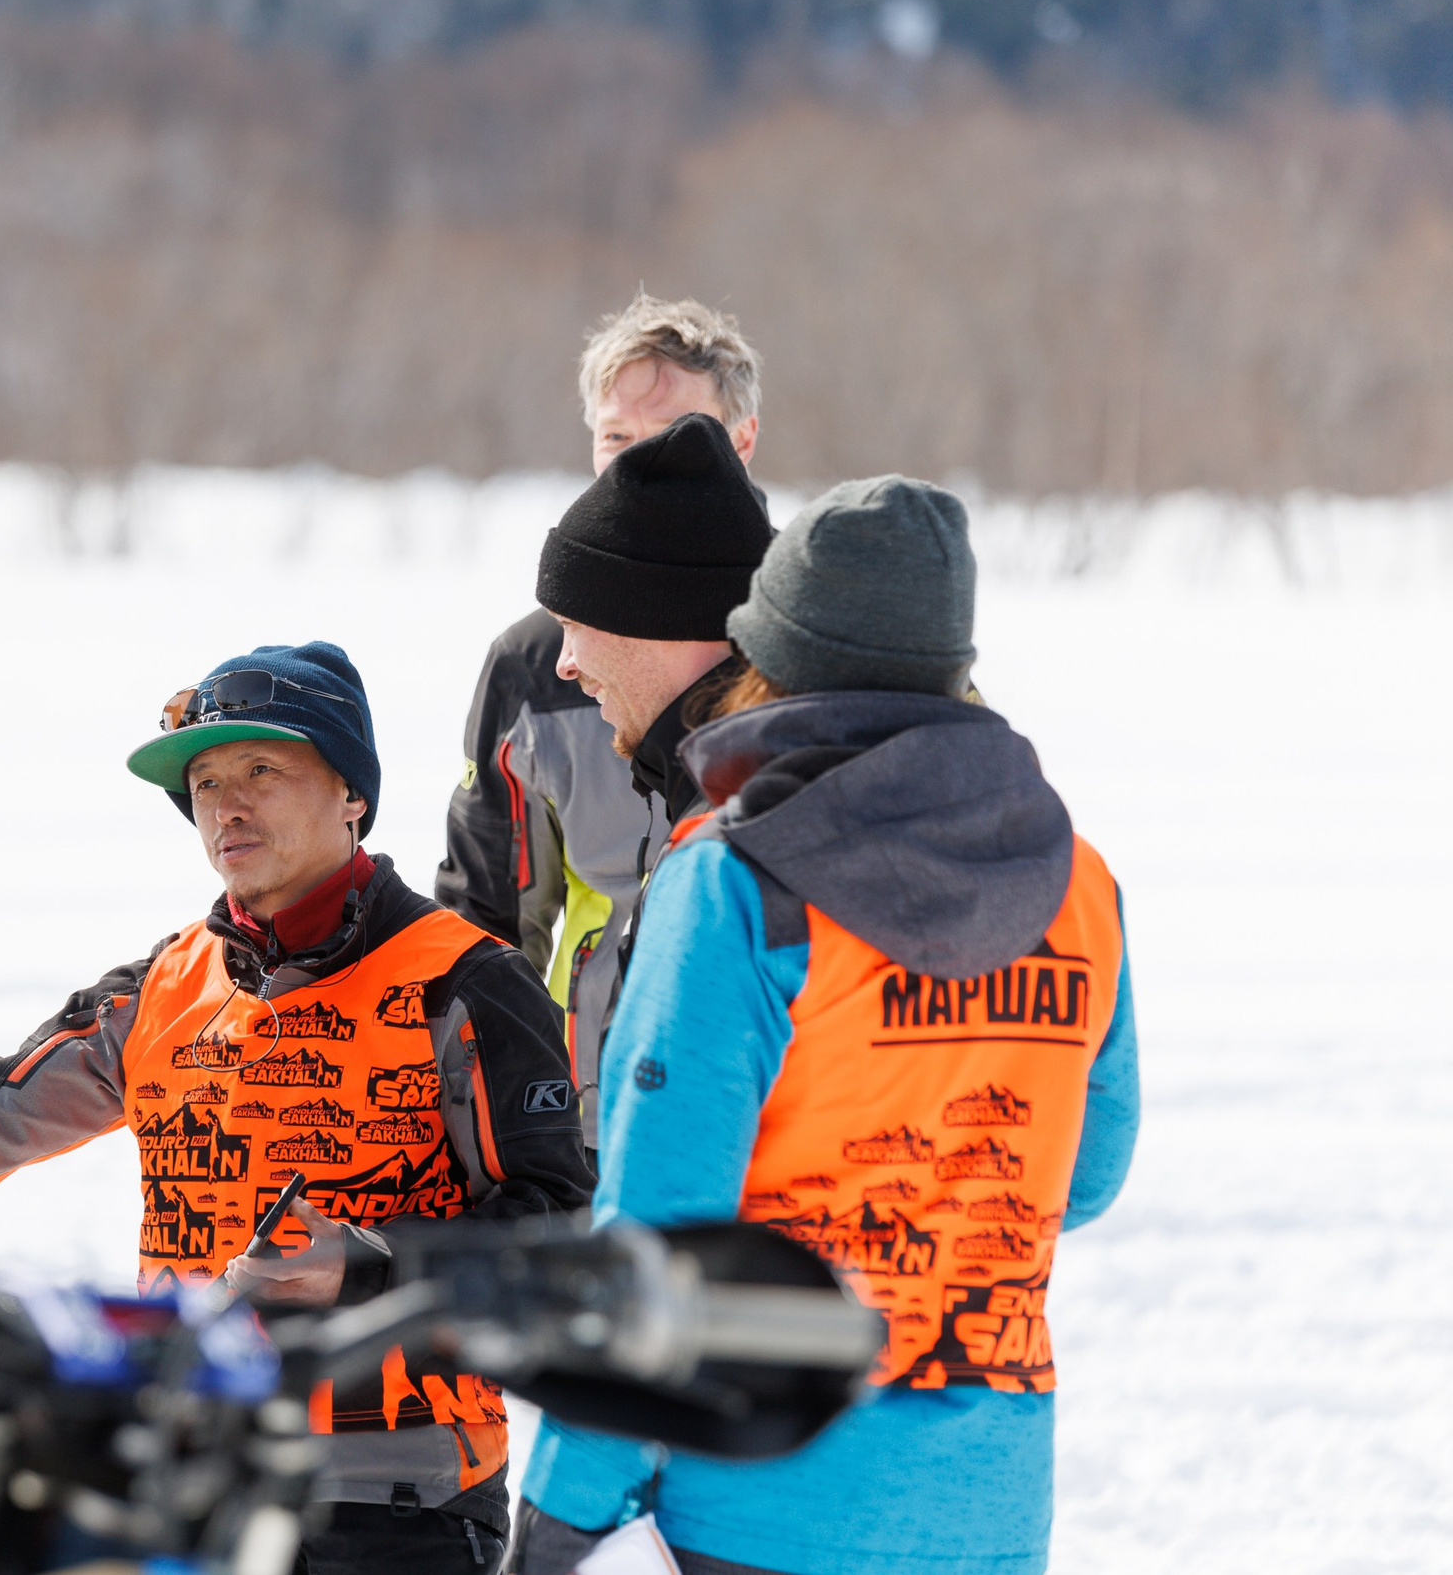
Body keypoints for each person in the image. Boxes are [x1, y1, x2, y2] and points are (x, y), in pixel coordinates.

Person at [0, 642, 590, 1574]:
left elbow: (563, 1229)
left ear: (352, 792)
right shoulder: (165, 986)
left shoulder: (465, 981)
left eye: (262, 770)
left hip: (396, 1500)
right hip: (189, 1474)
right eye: (205, 783)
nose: (227, 806)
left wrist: (365, 1267)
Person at [521, 479, 1141, 1575]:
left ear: (770, 656)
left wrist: (565, 1508)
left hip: (765, 1502)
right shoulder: (1075, 881)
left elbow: (657, 1230)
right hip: (989, 1508)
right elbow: (1081, 1176)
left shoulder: (737, 880)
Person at [502, 410, 772, 1574]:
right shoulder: (846, 795)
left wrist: (561, 1512)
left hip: (765, 1459)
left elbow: (665, 1220)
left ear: (661, 622)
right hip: (972, 1472)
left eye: (577, 626)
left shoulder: (733, 855)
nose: (561, 662)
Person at [438, 295, 764, 1145]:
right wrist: (498, 1137)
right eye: (617, 436)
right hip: (584, 1123)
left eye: (677, 433)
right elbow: (483, 925)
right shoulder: (538, 665)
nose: (641, 459)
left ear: (742, 441)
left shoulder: (807, 642)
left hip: (762, 1124)